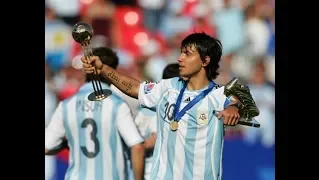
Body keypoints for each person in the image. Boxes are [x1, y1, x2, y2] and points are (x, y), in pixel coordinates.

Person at [82, 32, 254, 179]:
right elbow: (134, 87)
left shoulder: (218, 95)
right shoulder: (167, 87)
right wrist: (103, 69)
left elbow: (244, 104)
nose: (179, 59)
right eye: (181, 53)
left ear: (205, 60)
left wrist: (234, 108)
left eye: (187, 54)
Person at [45, 47, 145, 180]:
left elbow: (47, 147)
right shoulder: (116, 104)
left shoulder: (66, 105)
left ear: (85, 69)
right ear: (113, 71)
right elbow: (137, 147)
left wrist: (69, 142)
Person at [132, 63, 180, 180]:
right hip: (152, 172)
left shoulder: (141, 110)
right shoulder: (160, 112)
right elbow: (154, 140)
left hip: (140, 170)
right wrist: (136, 147)